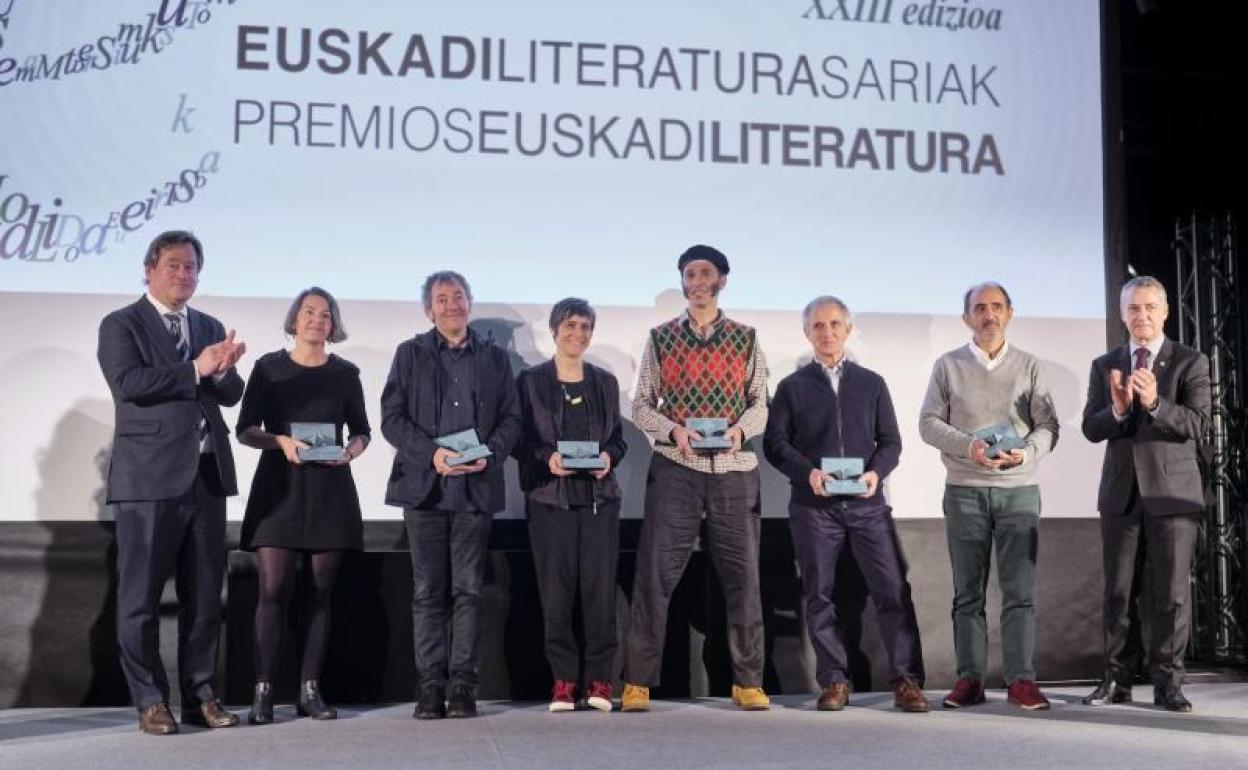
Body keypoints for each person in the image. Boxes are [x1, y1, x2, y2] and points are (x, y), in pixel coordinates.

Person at [97, 230, 246, 734]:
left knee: (204, 598)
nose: (184, 274)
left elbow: (228, 393)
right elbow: (128, 384)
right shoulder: (121, 323)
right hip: (147, 479)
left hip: (205, 475)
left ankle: (200, 696)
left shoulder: (208, 325)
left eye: (191, 267)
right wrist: (195, 368)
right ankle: (149, 701)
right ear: (149, 270)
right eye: (174, 265)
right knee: (139, 599)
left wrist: (222, 370)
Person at [621, 244, 770, 712]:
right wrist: (674, 431)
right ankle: (638, 681)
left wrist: (739, 432)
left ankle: (748, 682)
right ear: (683, 282)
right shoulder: (661, 337)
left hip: (734, 470)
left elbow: (760, 403)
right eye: (689, 274)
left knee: (743, 579)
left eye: (706, 273)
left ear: (722, 280)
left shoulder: (746, 338)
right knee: (654, 577)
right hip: (676, 468)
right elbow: (641, 405)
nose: (697, 281)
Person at [763, 296, 928, 713]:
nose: (827, 332)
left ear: (847, 330)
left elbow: (891, 442)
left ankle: (907, 680)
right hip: (813, 507)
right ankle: (834, 681)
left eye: (835, 324)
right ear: (807, 332)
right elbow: (775, 444)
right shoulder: (791, 387)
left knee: (893, 591)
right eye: (818, 325)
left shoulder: (872, 383)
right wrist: (808, 473)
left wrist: (875, 474)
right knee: (820, 595)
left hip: (867, 506)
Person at [381, 270, 522, 719]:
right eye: (441, 299)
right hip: (424, 489)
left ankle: (462, 686)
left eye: (458, 296)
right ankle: (429, 687)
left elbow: (512, 418)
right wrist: (432, 455)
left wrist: (489, 454)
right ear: (429, 310)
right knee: (427, 592)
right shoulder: (410, 354)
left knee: (469, 592)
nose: (451, 305)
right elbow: (391, 418)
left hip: (475, 490)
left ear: (469, 303)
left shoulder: (495, 359)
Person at [918, 282, 1058, 710]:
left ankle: (1021, 681)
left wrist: (1026, 452)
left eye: (997, 306)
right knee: (968, 594)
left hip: (1018, 492)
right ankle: (970, 680)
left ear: (1010, 313)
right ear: (967, 318)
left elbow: (1048, 426)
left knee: (1020, 593)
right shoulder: (947, 365)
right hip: (965, 491)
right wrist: (970, 447)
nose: (989, 314)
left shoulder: (1030, 365)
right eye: (979, 308)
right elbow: (928, 423)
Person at [235, 287, 371, 724]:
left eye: (325, 314)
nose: (317, 319)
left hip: (330, 490)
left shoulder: (346, 373)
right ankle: (263, 690)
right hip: (279, 491)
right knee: (272, 590)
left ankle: (310, 689)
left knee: (319, 594)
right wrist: (280, 441)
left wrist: (350, 452)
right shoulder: (268, 368)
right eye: (309, 312)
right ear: (295, 319)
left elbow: (363, 430)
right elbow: (244, 429)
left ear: (333, 325)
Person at [1080, 276, 1210, 713]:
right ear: (1122, 314)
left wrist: (1155, 404)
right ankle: (1115, 681)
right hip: (1121, 495)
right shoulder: (1105, 364)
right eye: (1134, 308)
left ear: (1165, 312)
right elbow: (1091, 428)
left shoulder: (1190, 361)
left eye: (1150, 307)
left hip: (1174, 495)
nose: (1142, 316)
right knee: (1118, 595)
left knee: (1171, 596)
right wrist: (1117, 411)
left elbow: (1199, 425)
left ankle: (1168, 684)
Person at [515, 298, 628, 712]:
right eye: (569, 325)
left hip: (600, 502)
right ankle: (563, 681)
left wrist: (609, 458)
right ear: (554, 330)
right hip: (550, 501)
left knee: (600, 596)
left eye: (584, 326)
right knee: (556, 596)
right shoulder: (531, 382)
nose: (577, 333)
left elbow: (618, 440)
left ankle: (600, 682)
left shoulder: (605, 382)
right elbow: (519, 440)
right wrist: (547, 458)